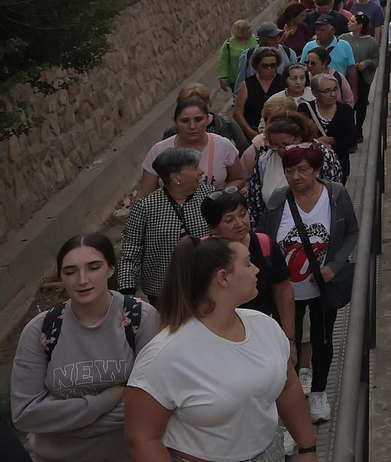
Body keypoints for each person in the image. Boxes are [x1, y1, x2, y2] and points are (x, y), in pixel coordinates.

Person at [124, 236, 315, 462]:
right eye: (247, 263)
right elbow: (142, 438)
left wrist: (307, 449)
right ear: (223, 278)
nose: (256, 270)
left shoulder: (265, 326)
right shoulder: (164, 356)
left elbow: (288, 387)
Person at [10, 234, 156, 462]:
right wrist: (107, 399)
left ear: (110, 269)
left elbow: (152, 402)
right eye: (70, 272)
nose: (82, 280)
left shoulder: (140, 318)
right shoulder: (41, 330)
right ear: (61, 277)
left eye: (93, 268)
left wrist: (65, 422)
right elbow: (25, 414)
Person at [258, 143, 357, 423]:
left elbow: (351, 231)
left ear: (316, 170)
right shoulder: (278, 201)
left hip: (322, 286)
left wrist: (334, 267)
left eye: (303, 170)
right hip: (286, 291)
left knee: (323, 339)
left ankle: (319, 391)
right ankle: (291, 401)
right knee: (286, 342)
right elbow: (266, 240)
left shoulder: (336, 195)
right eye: (290, 171)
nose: (296, 176)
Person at [199, 187, 295, 356]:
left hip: (265, 336)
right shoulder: (203, 255)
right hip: (221, 342)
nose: (240, 223)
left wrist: (289, 339)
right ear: (212, 226)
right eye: (229, 220)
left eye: (243, 214)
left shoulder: (264, 244)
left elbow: (284, 292)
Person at [115, 147, 209, 301]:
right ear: (175, 177)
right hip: (163, 293)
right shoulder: (146, 207)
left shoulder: (209, 197)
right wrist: (127, 292)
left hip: (204, 286)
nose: (202, 171)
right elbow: (131, 250)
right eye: (194, 168)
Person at [136, 95, 244, 200]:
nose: (192, 126)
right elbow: (143, 193)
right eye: (185, 121)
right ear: (175, 122)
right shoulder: (159, 150)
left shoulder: (223, 145)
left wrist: (220, 197)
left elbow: (239, 178)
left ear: (207, 119)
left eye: (198, 120)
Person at [299, 72, 359, 178]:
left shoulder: (345, 110)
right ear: (315, 93)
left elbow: (351, 140)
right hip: (311, 166)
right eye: (327, 91)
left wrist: (331, 146)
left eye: (335, 89)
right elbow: (299, 138)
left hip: (338, 166)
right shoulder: (305, 109)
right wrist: (317, 143)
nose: (333, 94)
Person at [234, 47, 287, 140]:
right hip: (252, 131)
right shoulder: (247, 84)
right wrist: (250, 132)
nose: (269, 68)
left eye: (273, 65)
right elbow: (237, 112)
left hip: (279, 132)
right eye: (265, 65)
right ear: (257, 66)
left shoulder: (283, 82)